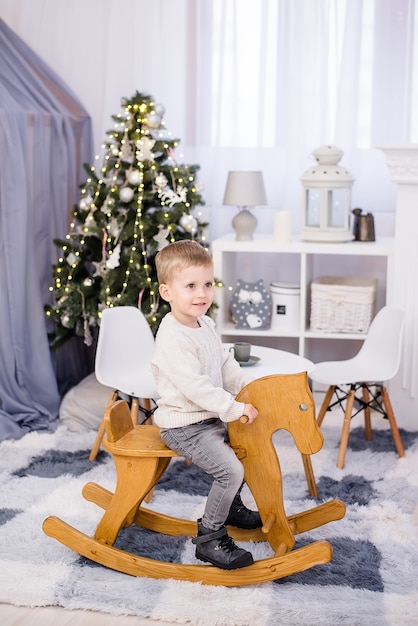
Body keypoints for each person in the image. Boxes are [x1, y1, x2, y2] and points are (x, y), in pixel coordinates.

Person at [151, 240, 261, 570]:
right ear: (166, 292)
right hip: (184, 426)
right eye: (191, 286)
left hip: (207, 419)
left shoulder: (205, 324)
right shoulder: (173, 337)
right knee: (230, 470)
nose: (202, 294)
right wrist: (232, 408)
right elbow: (195, 387)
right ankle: (210, 537)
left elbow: (224, 363)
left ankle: (231, 507)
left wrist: (246, 390)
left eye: (208, 284)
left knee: (244, 448)